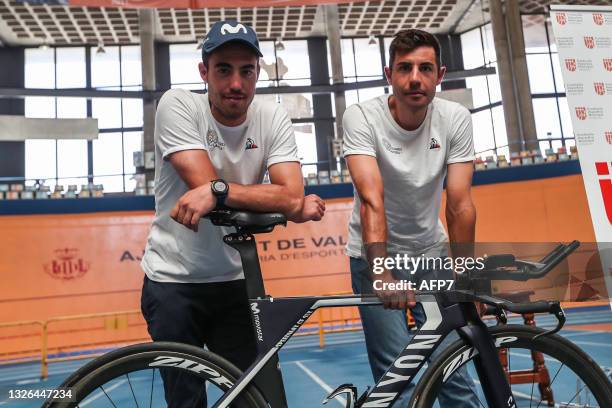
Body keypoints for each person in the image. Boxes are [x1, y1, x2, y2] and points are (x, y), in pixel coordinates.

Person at [140, 20, 325, 407]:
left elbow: (288, 196)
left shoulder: (271, 117)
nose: (236, 83)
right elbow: (207, 183)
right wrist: (278, 200)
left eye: (247, 70)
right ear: (204, 72)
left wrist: (220, 191)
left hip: (234, 282)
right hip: (174, 283)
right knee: (187, 401)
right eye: (223, 69)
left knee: (256, 399)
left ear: (258, 73)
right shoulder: (178, 104)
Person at [343, 29, 479, 407]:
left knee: (452, 369)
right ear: (390, 74)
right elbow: (372, 198)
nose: (414, 78)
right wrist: (382, 272)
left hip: (431, 255)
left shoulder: (455, 118)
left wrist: (466, 279)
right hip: (374, 256)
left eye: (425, 68)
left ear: (440, 74)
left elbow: (460, 204)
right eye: (404, 68)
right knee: (395, 378)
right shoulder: (361, 117)